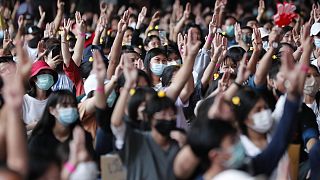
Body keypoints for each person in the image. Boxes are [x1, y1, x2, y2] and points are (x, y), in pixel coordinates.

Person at [23, 60, 58, 131]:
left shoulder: (56, 99)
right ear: (34, 78)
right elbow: (17, 130)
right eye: (43, 73)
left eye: (49, 74)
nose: (47, 77)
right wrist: (40, 124)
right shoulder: (24, 100)